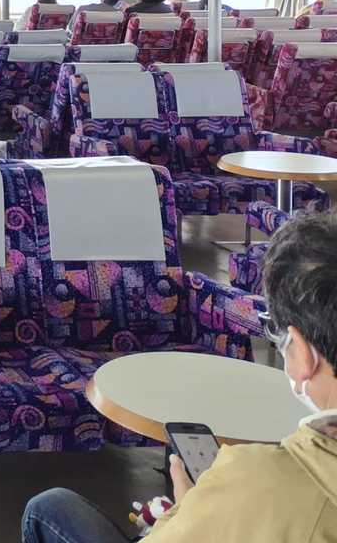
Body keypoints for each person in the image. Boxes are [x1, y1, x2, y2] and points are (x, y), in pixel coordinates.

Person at [20, 211, 337, 542]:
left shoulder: (253, 480)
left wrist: (187, 510)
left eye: (276, 334)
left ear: (302, 352)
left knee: (49, 508)